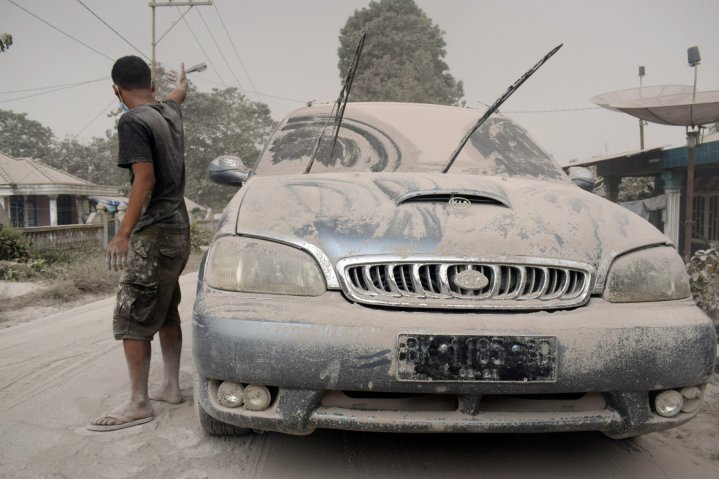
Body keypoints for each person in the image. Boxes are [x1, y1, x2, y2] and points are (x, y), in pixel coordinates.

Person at [88, 56, 190, 431]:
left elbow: (143, 179)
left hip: (155, 230)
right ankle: (172, 388)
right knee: (165, 309)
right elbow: (179, 94)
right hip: (180, 230)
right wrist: (181, 81)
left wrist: (123, 233)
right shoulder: (169, 113)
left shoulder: (132, 120)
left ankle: (138, 402)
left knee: (133, 314)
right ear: (150, 83)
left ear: (116, 89)